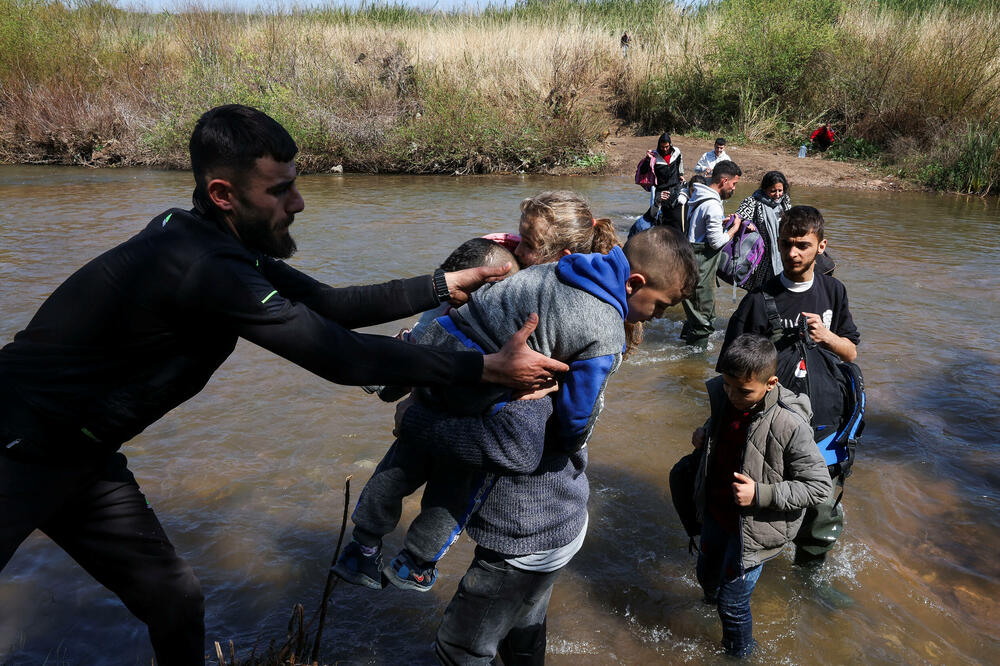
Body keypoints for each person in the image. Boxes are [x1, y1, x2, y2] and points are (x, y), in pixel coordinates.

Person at [0, 105, 567, 665]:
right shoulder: (203, 266)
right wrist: (484, 368)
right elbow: (339, 357)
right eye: (278, 192)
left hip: (83, 453)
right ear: (223, 193)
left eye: (294, 184)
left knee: (175, 600)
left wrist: (441, 286)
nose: (296, 203)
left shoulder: (213, 241)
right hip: (15, 442)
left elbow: (327, 305)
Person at [399, 227, 698, 664]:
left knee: (460, 647)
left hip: (523, 535)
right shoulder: (573, 326)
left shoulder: (543, 355)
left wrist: (416, 422)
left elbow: (517, 448)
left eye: (524, 248)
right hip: (554, 521)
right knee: (522, 633)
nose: (514, 251)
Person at [333, 191, 635, 591]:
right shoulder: (542, 277)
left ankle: (372, 548)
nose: (517, 246)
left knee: (412, 469)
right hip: (477, 418)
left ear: (559, 253)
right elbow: (578, 406)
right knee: (447, 487)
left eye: (527, 243)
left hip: (460, 409)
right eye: (520, 238)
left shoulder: (539, 287)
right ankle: (409, 559)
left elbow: (445, 331)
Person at [718, 205, 860, 565]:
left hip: (827, 423)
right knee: (759, 505)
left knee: (820, 505)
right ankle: (753, 569)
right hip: (769, 426)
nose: (793, 254)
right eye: (786, 245)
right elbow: (729, 374)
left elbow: (852, 352)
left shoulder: (834, 291)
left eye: (803, 245)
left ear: (821, 246)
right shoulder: (756, 300)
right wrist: (713, 427)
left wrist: (827, 336)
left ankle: (808, 575)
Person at [692, 333, 832, 657]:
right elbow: (724, 427)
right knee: (706, 577)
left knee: (732, 604)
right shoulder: (727, 399)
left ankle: (740, 656)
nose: (732, 395)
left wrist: (761, 493)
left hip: (754, 530)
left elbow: (820, 487)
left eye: (742, 391)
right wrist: (706, 432)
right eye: (726, 385)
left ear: (770, 383)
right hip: (717, 513)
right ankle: (707, 616)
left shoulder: (789, 425)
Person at [680, 160, 747, 345]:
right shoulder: (713, 205)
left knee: (694, 315)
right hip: (701, 267)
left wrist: (720, 223)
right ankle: (694, 365)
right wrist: (734, 228)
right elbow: (716, 242)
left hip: (690, 262)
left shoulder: (699, 196)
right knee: (704, 321)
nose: (733, 189)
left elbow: (699, 226)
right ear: (724, 180)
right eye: (734, 184)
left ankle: (685, 348)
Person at [735, 171, 792, 291]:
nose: (777, 194)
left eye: (780, 190)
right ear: (764, 189)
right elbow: (739, 218)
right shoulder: (753, 202)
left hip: (781, 252)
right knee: (759, 290)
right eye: (773, 191)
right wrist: (747, 224)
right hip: (761, 256)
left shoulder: (785, 201)